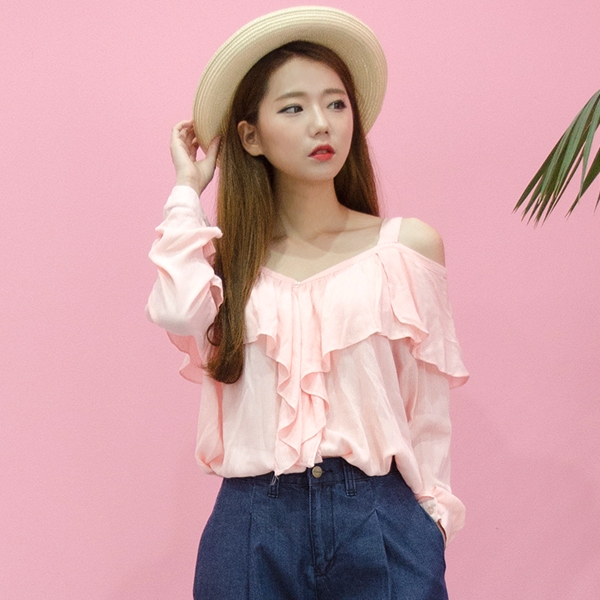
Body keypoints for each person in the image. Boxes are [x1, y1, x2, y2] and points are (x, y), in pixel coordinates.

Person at [146, 6, 468, 600]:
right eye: (293, 108)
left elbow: (426, 408)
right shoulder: (224, 268)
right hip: (251, 524)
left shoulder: (405, 249)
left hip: (381, 518)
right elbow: (175, 311)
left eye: (336, 104)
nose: (322, 124)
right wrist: (187, 190)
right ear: (250, 136)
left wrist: (431, 525)